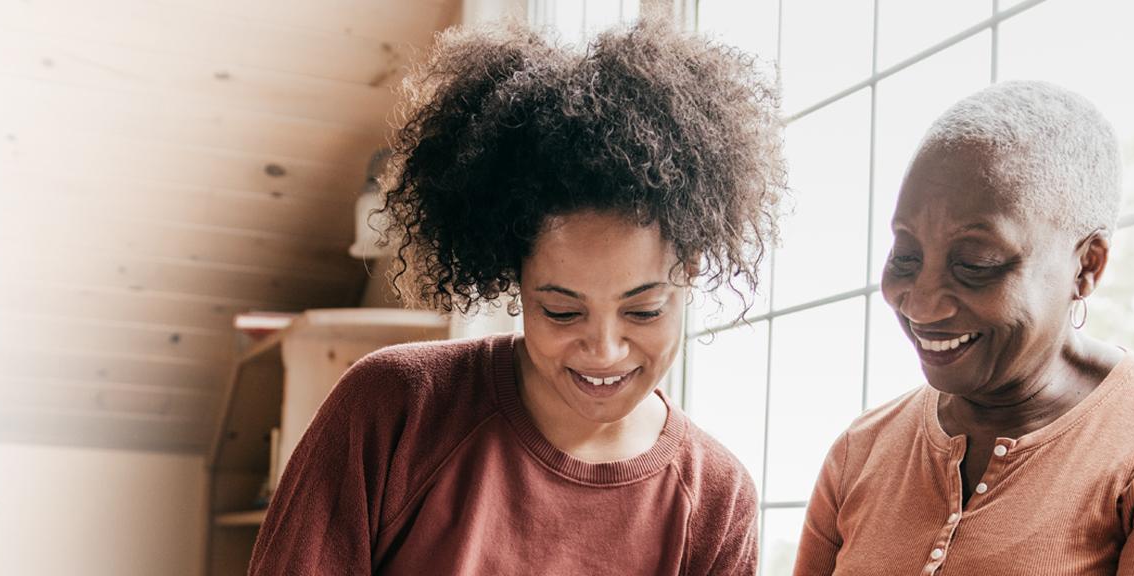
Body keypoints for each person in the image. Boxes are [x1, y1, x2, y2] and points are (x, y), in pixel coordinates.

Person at [246, 19, 785, 575]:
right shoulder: (394, 407)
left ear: (690, 270)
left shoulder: (717, 500)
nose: (603, 350)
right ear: (514, 274)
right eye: (562, 310)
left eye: (642, 310)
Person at [794, 81, 1134, 575]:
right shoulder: (862, 450)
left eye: (976, 263)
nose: (922, 301)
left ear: (1087, 265)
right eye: (906, 255)